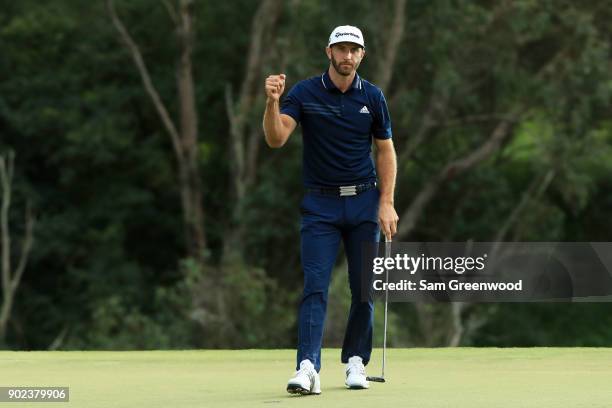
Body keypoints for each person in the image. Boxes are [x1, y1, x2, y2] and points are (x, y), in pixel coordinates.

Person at [262, 25, 398, 395]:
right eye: (341, 49)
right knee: (315, 288)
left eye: (354, 50)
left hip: (364, 203)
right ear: (329, 52)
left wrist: (386, 202)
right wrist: (273, 102)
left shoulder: (372, 96)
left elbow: (385, 150)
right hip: (320, 204)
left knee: (363, 288)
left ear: (362, 55)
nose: (347, 56)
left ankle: (356, 362)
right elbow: (276, 138)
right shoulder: (305, 92)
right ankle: (307, 367)